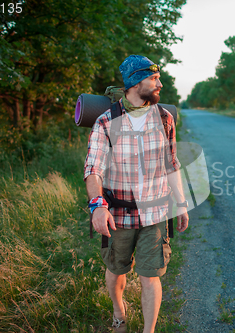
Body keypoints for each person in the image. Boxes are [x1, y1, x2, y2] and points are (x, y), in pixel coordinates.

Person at [84, 55, 189, 333]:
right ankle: (119, 311)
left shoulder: (165, 119)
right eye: (154, 78)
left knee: (150, 275)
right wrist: (97, 205)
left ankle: (148, 330)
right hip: (117, 215)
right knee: (117, 269)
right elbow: (93, 167)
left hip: (155, 212)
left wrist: (181, 202)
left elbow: (172, 164)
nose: (160, 84)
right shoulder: (107, 122)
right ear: (135, 82)